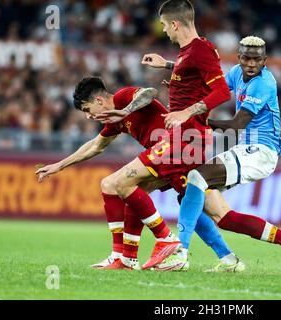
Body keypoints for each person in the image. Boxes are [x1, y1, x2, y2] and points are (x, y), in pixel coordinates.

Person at [36, 77, 244, 272]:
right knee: (201, 210)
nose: (88, 116)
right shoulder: (113, 120)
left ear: (99, 100)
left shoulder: (123, 97)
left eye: (87, 109)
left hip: (176, 149)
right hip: (171, 156)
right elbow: (96, 146)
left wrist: (126, 111)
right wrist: (60, 165)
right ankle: (225, 258)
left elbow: (150, 93)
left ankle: (163, 242)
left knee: (114, 184)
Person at [155, 36, 281, 277]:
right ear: (239, 58)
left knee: (196, 178)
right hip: (245, 149)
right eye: (246, 58)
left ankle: (180, 251)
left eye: (256, 59)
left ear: (265, 61)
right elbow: (212, 85)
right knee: (217, 213)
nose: (251, 64)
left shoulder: (263, 83)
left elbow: (236, 125)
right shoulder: (235, 73)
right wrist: (171, 67)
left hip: (261, 151)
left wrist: (194, 118)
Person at [96, 0, 233, 271]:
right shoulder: (187, 54)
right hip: (181, 137)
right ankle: (128, 257)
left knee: (119, 183)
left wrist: (186, 113)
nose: (163, 31)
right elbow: (192, 74)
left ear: (175, 24)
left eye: (163, 25)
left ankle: (167, 241)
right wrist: (168, 65)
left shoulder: (200, 49)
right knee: (189, 202)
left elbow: (222, 92)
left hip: (186, 138)